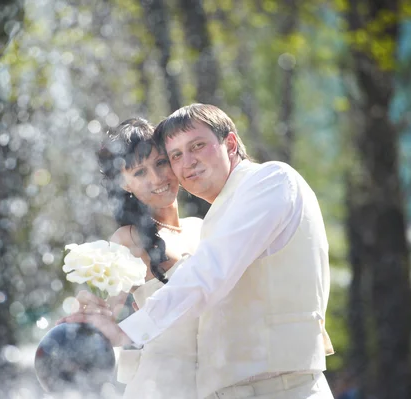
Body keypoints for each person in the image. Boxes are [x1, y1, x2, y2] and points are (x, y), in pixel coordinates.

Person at [61, 104, 335, 399]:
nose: (185, 163)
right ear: (124, 183)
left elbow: (211, 272)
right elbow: (111, 310)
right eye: (176, 155)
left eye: (197, 146)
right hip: (171, 384)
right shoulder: (132, 238)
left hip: (279, 387)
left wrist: (129, 329)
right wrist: (94, 315)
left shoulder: (267, 183)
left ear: (230, 143)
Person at [93, 117, 203, 398]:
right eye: (139, 172)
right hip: (162, 385)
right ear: (125, 184)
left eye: (161, 163)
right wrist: (87, 314)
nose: (157, 178)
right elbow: (105, 312)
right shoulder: (128, 240)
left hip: (215, 380)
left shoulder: (202, 227)